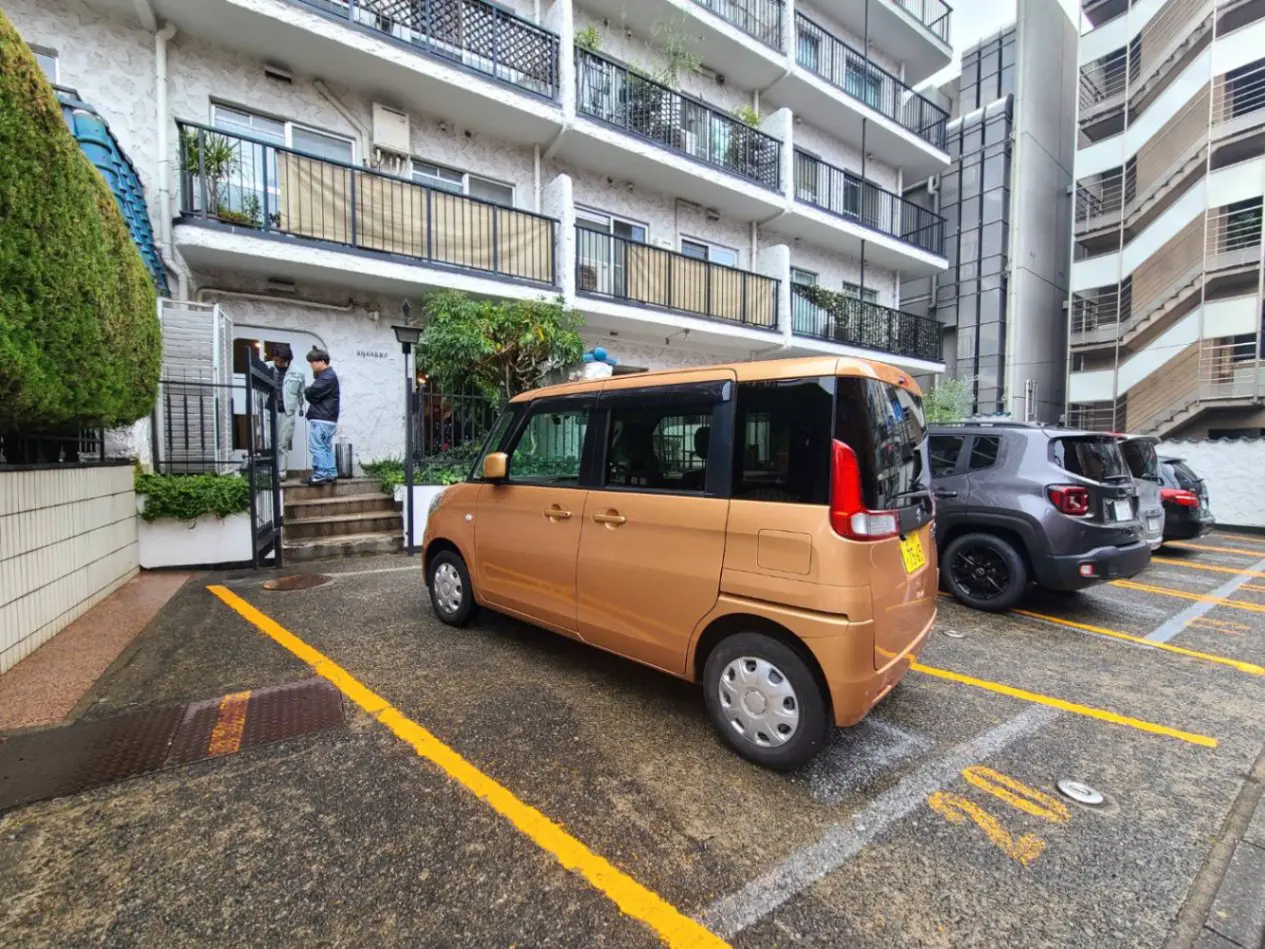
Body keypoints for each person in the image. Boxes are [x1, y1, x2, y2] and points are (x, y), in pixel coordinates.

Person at [304, 347, 340, 485]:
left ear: (322, 361)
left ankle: (320, 475)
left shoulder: (327, 376)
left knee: (317, 446)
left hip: (322, 418)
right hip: (328, 418)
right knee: (325, 447)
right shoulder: (328, 376)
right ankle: (330, 473)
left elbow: (312, 392)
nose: (310, 365)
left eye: (312, 362)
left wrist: (307, 391)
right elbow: (314, 395)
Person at [271, 345, 305, 483]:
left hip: (287, 412)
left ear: (288, 360)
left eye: (281, 361)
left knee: (282, 442)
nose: (278, 363)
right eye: (276, 360)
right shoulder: (266, 367)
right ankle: (268, 470)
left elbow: (301, 393)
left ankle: (281, 471)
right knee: (267, 442)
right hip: (268, 410)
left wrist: (298, 407)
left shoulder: (298, 372)